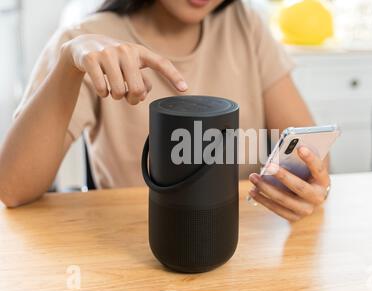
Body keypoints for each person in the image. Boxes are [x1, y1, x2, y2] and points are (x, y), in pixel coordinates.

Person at [0, 0, 330, 221]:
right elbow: (12, 189)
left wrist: (308, 188)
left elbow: (309, 154)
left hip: (245, 243)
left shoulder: (245, 24)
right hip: (138, 245)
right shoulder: (86, 42)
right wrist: (68, 64)